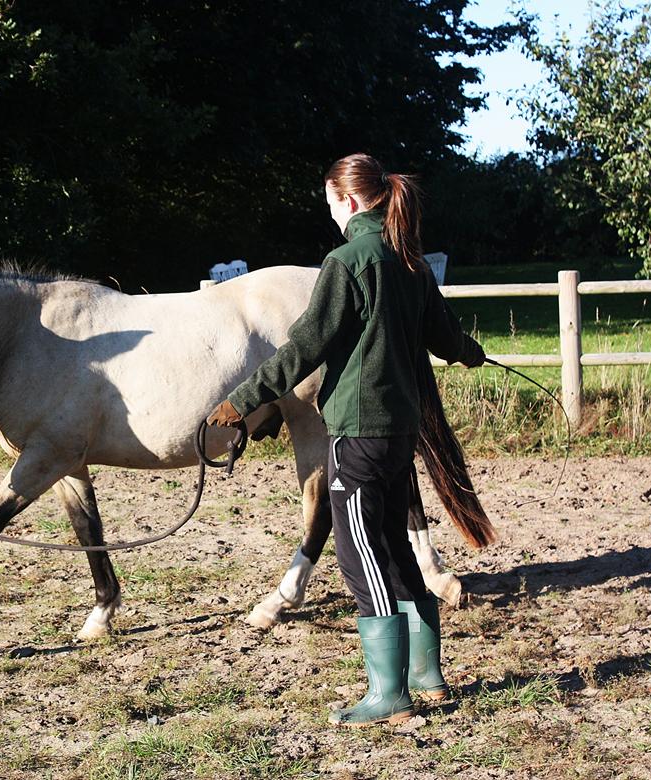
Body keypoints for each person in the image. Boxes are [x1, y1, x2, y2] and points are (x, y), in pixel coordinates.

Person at [207, 153, 485, 726]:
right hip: (401, 430)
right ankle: (427, 675)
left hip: (357, 432)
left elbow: (303, 349)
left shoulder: (346, 261)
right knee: (397, 547)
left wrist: (240, 401)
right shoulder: (410, 260)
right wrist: (471, 352)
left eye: (331, 202)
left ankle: (389, 695)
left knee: (360, 557)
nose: (331, 213)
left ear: (350, 200)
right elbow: (445, 336)